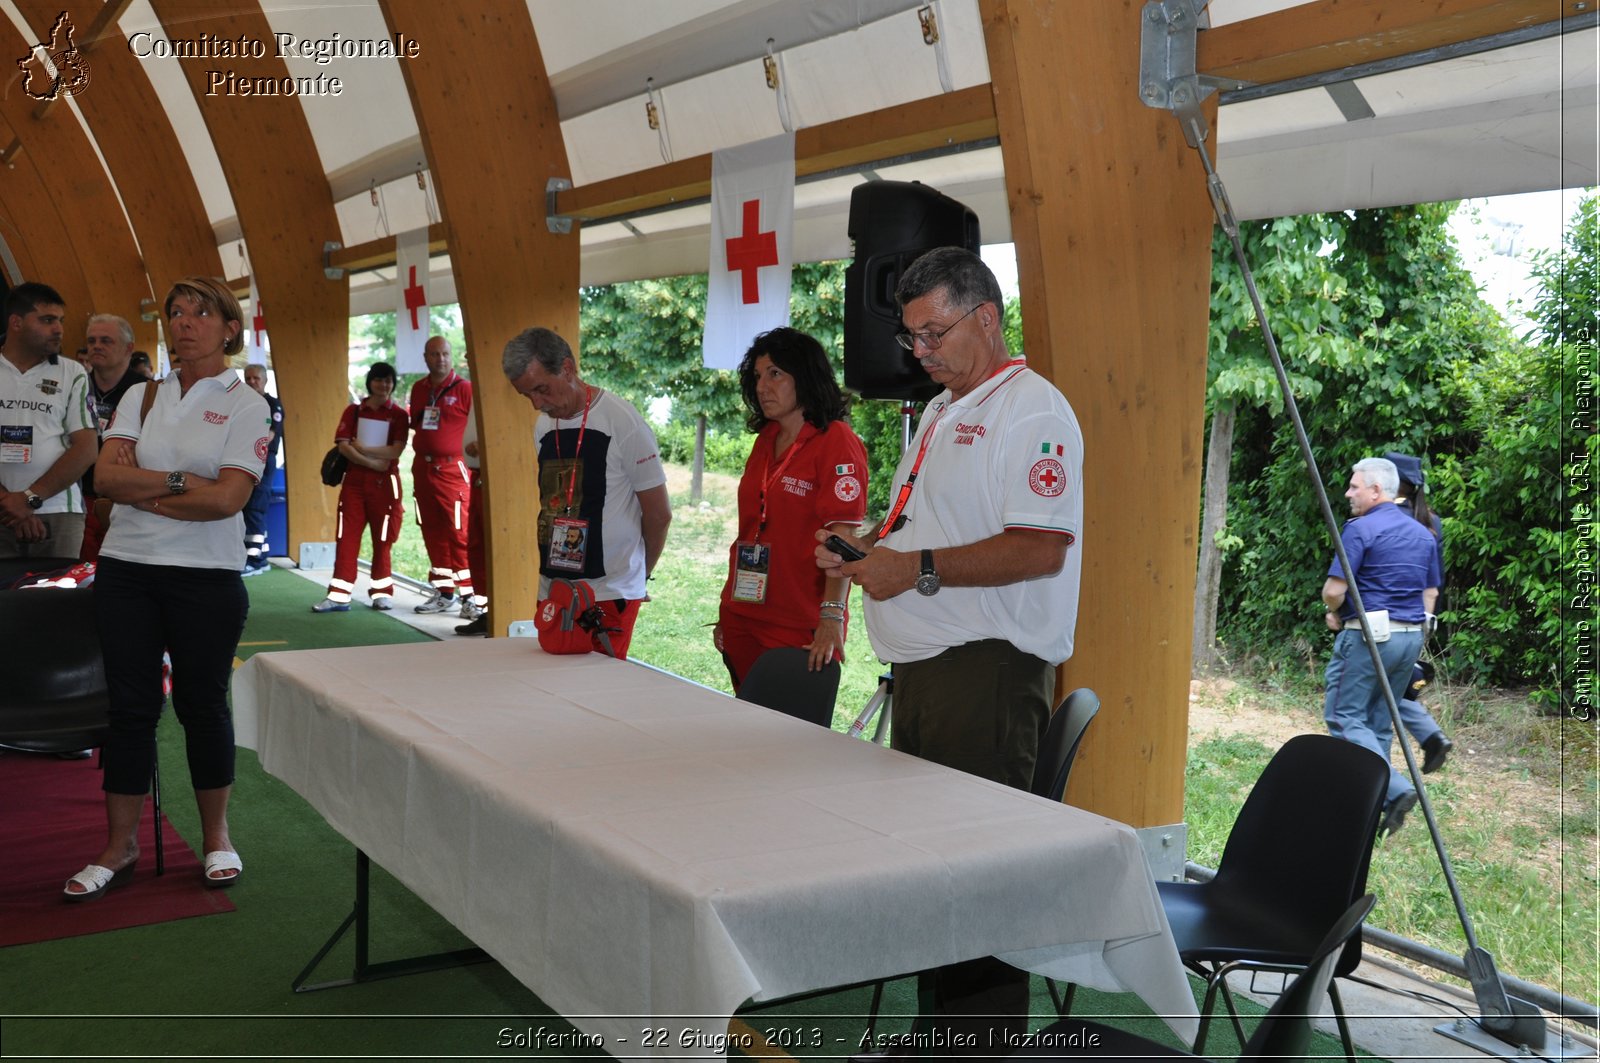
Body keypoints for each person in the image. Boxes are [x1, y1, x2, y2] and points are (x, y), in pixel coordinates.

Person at [816, 247, 1082, 1056]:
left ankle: (978, 1047)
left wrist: (915, 571)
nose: (920, 350)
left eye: (933, 332)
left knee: (978, 881)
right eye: (911, 338)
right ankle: (942, 1039)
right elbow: (922, 524)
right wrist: (864, 549)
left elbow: (1041, 548)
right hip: (935, 674)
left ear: (987, 317)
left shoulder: (1031, 411)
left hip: (988, 674)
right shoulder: (941, 409)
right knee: (940, 877)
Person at [64, 276, 271, 900]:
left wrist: (151, 486)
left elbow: (231, 499)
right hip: (127, 569)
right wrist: (186, 487)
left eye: (200, 312)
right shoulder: (142, 396)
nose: (184, 322)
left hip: (206, 578)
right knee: (129, 711)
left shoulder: (246, 403)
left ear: (229, 328)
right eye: (176, 313)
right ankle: (118, 846)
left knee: (202, 707)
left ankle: (217, 838)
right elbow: (104, 480)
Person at [714, 328, 868, 695]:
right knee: (748, 729)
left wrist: (831, 617)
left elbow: (842, 541)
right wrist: (730, 606)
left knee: (789, 737)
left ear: (806, 375)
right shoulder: (765, 439)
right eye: (757, 376)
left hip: (799, 621)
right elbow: (753, 527)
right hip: (744, 613)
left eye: (775, 374)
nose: (762, 387)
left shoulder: (836, 441)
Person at [502, 327, 670, 659]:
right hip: (555, 587)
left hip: (608, 593)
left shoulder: (622, 421)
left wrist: (641, 576)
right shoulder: (544, 426)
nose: (537, 404)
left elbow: (658, 513)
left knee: (597, 693)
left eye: (541, 389)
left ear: (567, 369)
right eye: (527, 396)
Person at [1321, 456, 1442, 838]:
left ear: (1377, 491)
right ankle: (1374, 804)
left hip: (1370, 635)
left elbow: (1333, 591)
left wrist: (1335, 613)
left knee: (1343, 715)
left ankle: (1397, 788)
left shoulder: (1360, 529)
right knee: (1377, 719)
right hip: (1411, 636)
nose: (1348, 493)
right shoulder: (1423, 534)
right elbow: (1429, 591)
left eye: (1355, 486)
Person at [0, 282, 98, 558]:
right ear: (16, 322)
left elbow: (86, 449)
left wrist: (29, 500)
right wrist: (9, 504)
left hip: (58, 514)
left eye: (60, 321)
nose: (59, 329)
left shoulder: (72, 373)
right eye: (47, 320)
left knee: (57, 600)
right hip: (1, 513)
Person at [312, 362, 409, 613]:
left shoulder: (399, 415)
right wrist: (370, 462)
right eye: (378, 379)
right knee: (347, 537)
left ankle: (381, 593)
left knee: (383, 538)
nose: (383, 385)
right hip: (355, 482)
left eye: (388, 380)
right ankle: (339, 595)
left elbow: (396, 450)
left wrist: (363, 449)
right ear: (370, 382)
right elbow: (344, 445)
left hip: (385, 485)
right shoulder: (354, 411)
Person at [1384, 449, 1452, 772]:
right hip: (1418, 618)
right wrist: (1426, 622)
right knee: (1391, 688)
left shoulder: (1380, 515)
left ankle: (1386, 784)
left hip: (1381, 619)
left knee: (1374, 695)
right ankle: (1430, 734)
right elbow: (1434, 583)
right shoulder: (1431, 521)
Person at [407, 335, 476, 617]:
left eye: (445, 353)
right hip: (423, 469)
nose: (440, 359)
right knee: (431, 530)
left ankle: (470, 596)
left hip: (452, 470)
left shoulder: (465, 389)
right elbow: (417, 424)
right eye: (434, 354)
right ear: (425, 358)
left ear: (452, 355)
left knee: (459, 532)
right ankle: (444, 591)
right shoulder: (419, 389)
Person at [79, 314, 147, 561]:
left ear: (129, 348)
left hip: (128, 501)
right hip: (79, 499)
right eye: (92, 340)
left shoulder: (149, 392)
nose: (96, 346)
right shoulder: (75, 387)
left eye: (106, 340)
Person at [240, 364, 284, 575]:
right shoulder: (244, 404)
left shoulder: (272, 404)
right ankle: (262, 555)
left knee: (255, 507)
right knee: (247, 506)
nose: (251, 382)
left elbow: (269, 435)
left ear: (265, 380)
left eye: (256, 378)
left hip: (263, 460)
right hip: (246, 460)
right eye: (248, 378)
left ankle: (254, 560)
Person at [454, 410, 489, 635]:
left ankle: (501, 612)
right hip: (477, 477)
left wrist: (486, 446)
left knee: (492, 548)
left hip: (495, 477)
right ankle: (487, 612)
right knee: (477, 547)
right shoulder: (479, 393)